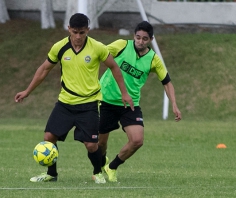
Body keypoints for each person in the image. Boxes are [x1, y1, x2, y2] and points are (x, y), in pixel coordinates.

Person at [14, 13, 133, 184]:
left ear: (88, 31)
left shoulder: (97, 48)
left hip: (89, 104)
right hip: (65, 103)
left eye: (82, 32)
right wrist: (27, 91)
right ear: (69, 29)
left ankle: (97, 172)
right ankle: (51, 174)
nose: (78, 36)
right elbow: (44, 69)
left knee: (92, 145)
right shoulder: (59, 47)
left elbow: (114, 68)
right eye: (75, 32)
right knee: (49, 137)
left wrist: (124, 93)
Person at [98, 21, 182, 182]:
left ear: (150, 39)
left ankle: (112, 166)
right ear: (134, 36)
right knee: (100, 144)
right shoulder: (121, 45)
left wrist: (174, 104)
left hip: (130, 104)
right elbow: (99, 54)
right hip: (106, 100)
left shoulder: (153, 60)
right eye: (138, 37)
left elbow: (167, 82)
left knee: (137, 140)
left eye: (144, 39)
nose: (140, 41)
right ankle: (102, 163)